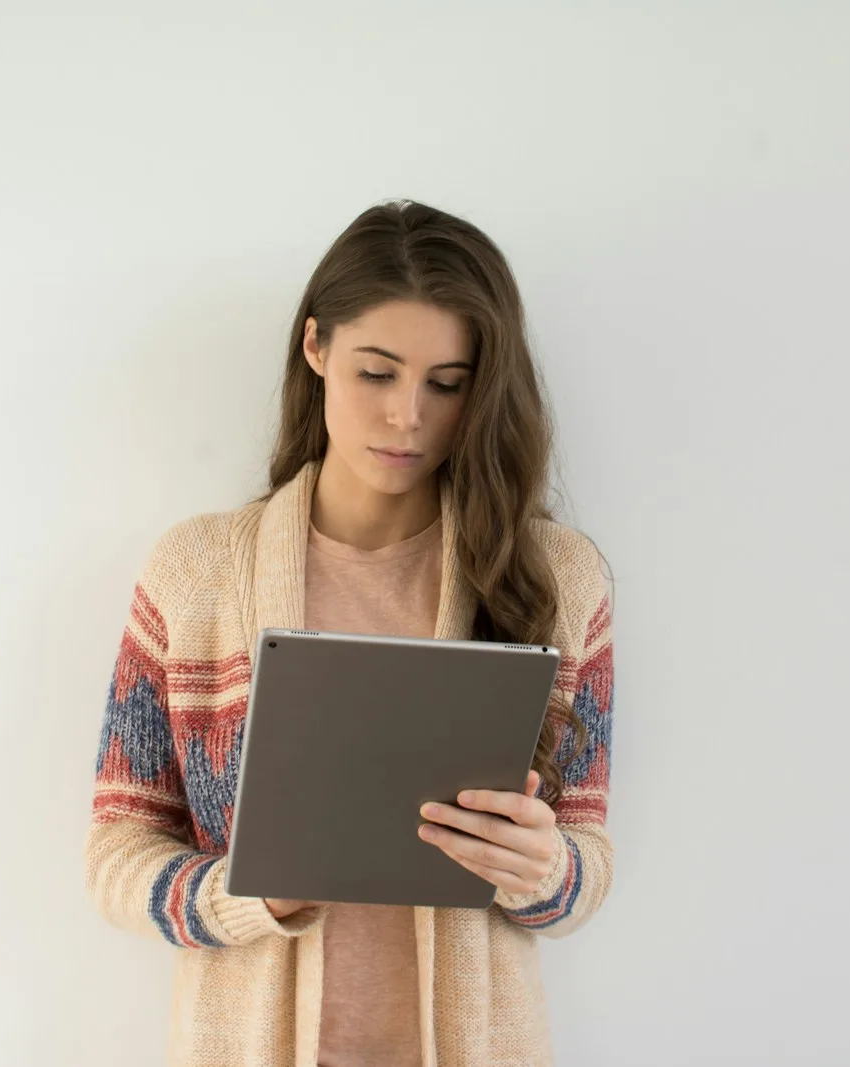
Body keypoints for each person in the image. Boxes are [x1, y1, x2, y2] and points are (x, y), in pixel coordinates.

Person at [85, 200, 615, 1067]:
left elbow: (585, 859)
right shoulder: (196, 573)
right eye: (377, 372)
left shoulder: (557, 578)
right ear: (316, 348)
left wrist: (544, 868)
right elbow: (117, 847)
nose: (409, 415)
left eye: (448, 383)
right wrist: (246, 895)